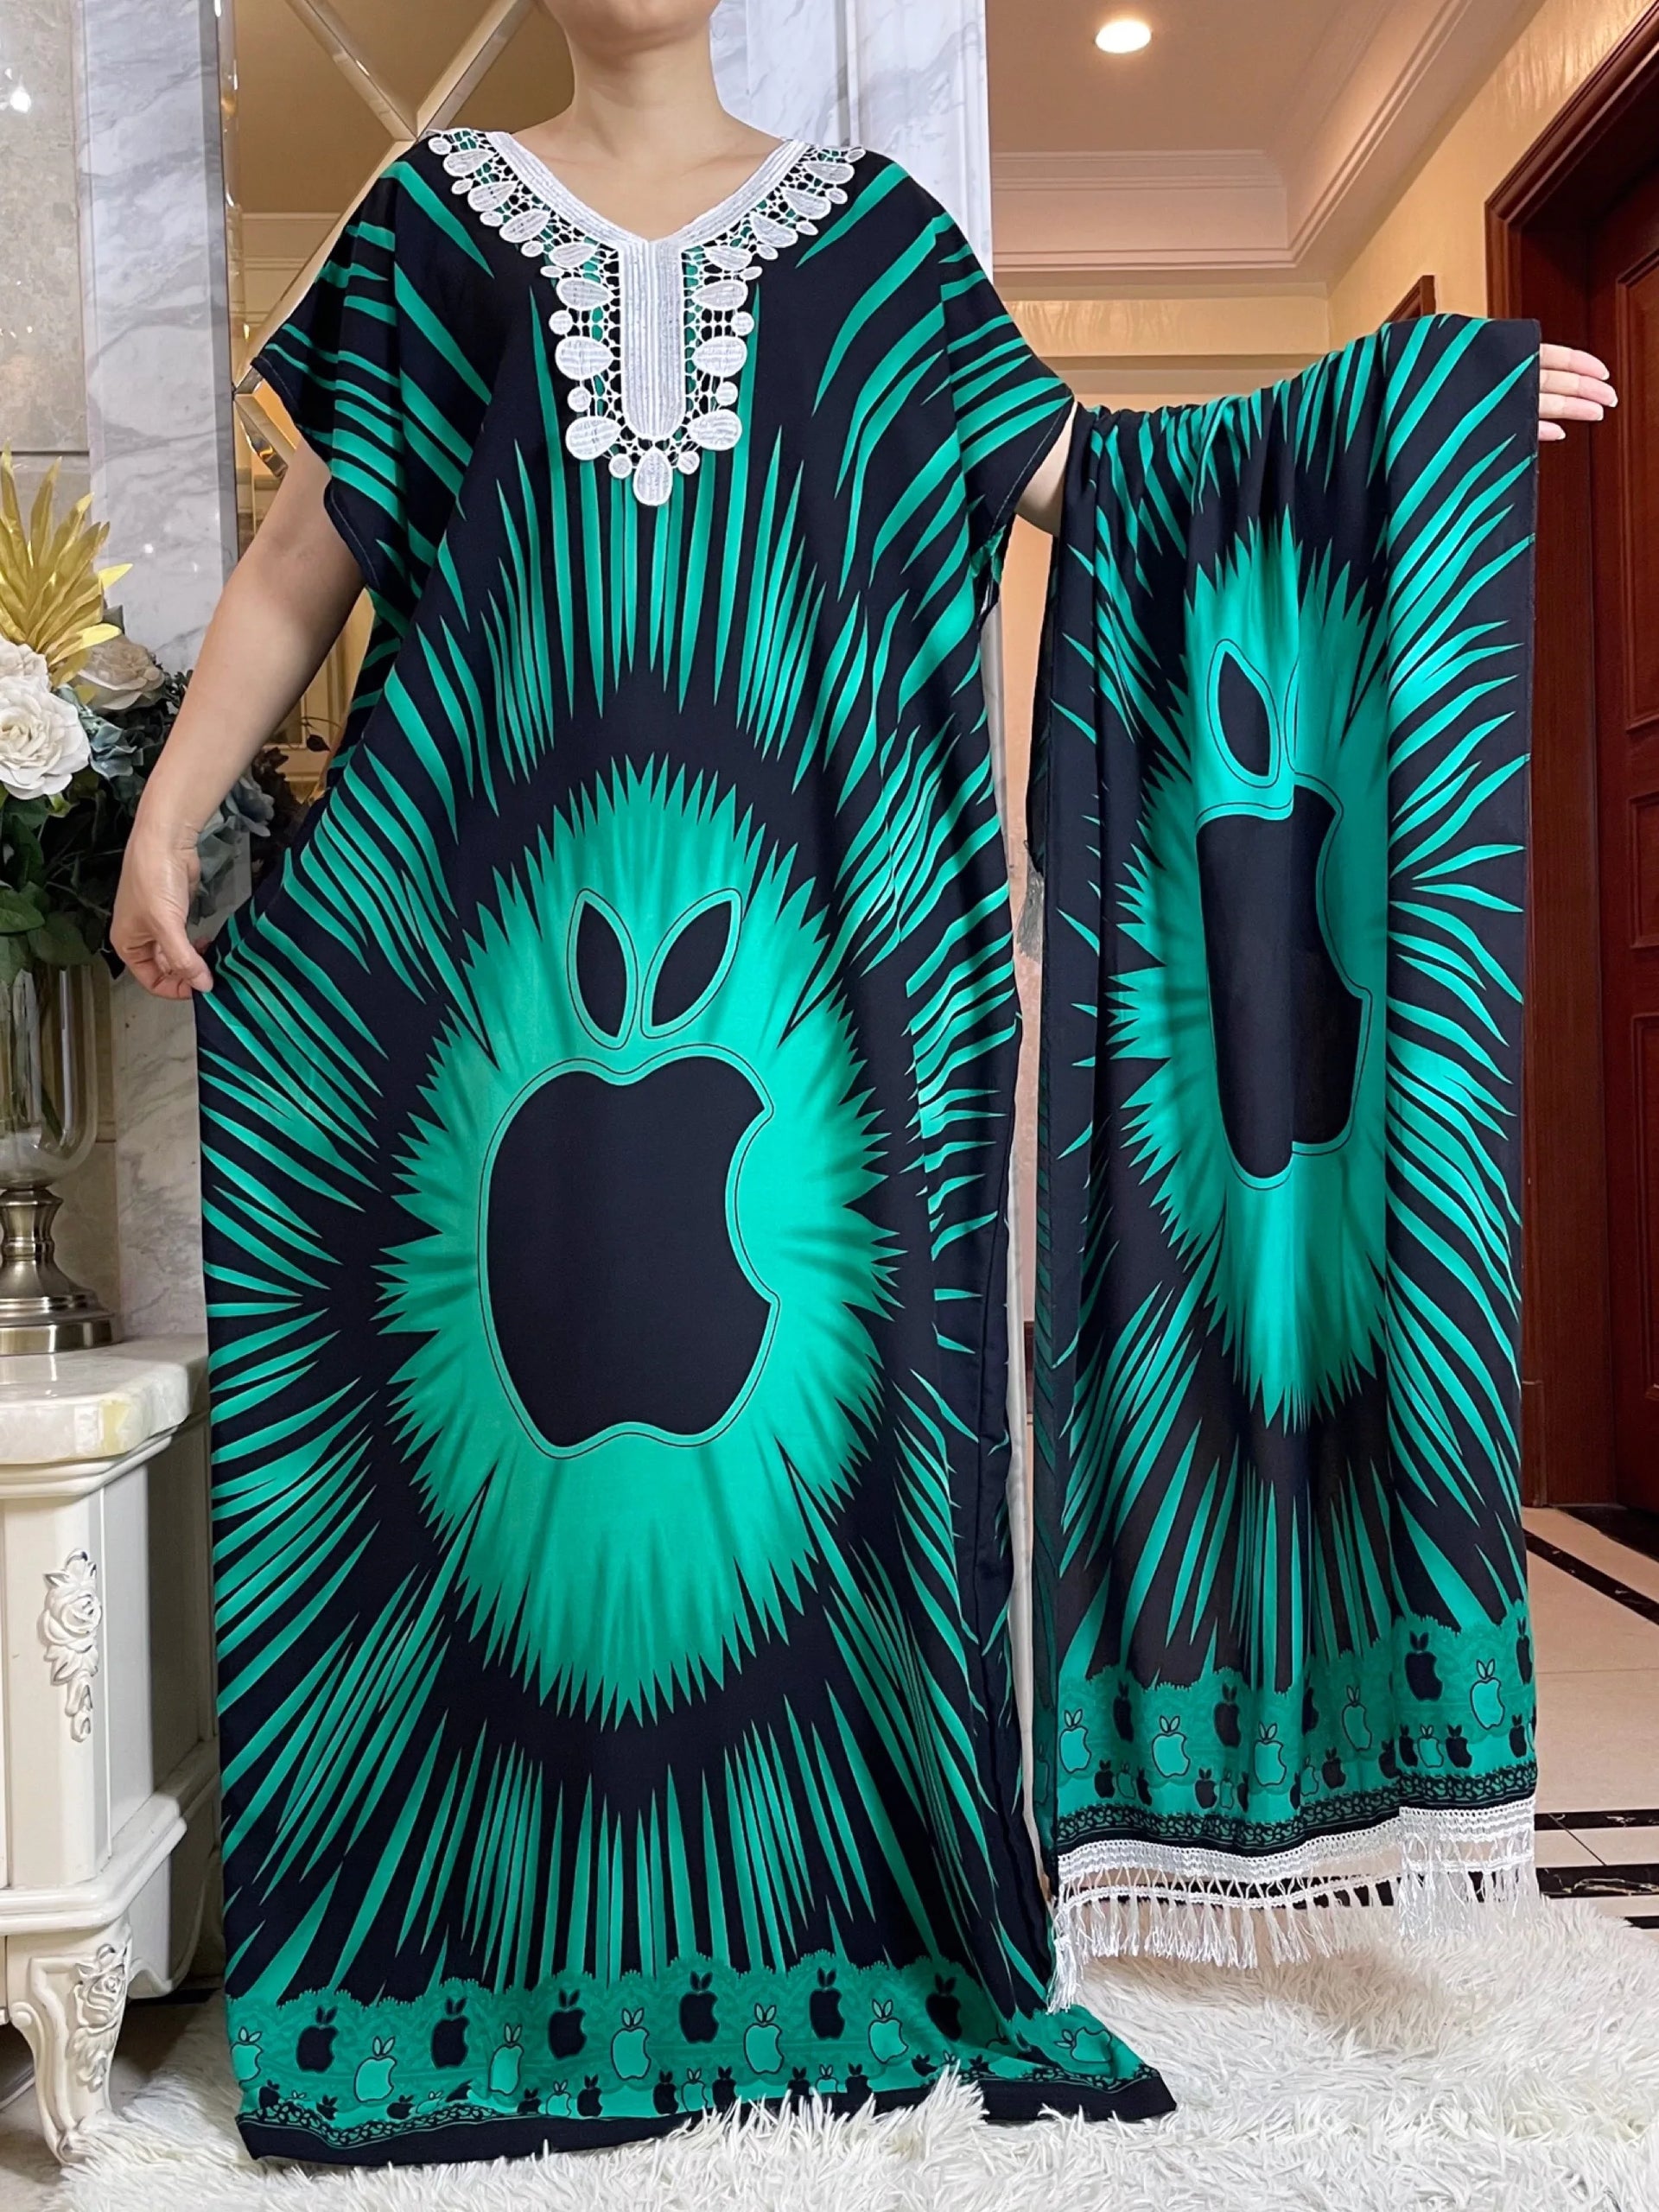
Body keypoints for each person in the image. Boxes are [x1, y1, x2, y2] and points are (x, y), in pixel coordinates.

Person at [111, 0, 1614, 2170]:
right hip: (493, 989)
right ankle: (498, 1954)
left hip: (828, 1015)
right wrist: (172, 809)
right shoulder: (433, 223)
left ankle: (829, 1926)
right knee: (513, 1474)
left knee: (819, 1456)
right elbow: (301, 554)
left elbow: (1109, 482)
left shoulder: (881, 245)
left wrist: (1410, 413)